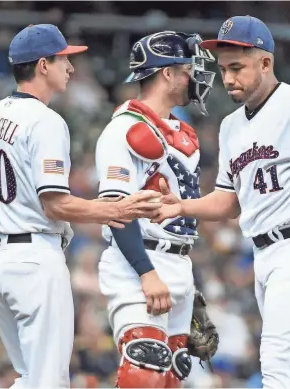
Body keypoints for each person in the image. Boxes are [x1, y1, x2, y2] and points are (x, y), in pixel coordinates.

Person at [154, 16, 290, 389]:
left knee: (277, 368)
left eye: (237, 68)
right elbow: (228, 202)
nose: (228, 79)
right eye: (224, 69)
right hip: (265, 255)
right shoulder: (230, 127)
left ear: (265, 63)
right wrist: (180, 206)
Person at [0, 24, 161, 389]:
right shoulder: (45, 121)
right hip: (33, 261)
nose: (71, 67)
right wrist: (117, 210)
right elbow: (56, 204)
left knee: (30, 377)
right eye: (64, 59)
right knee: (49, 382)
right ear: (43, 65)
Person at [95, 31, 216, 388]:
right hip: (138, 261)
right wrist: (147, 273)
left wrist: (187, 285)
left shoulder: (181, 132)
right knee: (143, 372)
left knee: (170, 379)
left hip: (178, 263)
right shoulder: (125, 129)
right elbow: (116, 209)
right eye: (188, 68)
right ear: (167, 73)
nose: (194, 75)